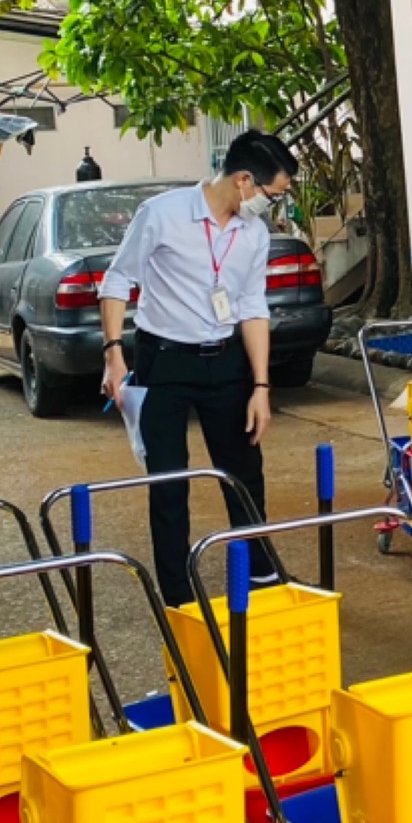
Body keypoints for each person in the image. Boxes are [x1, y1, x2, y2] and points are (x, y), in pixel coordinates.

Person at [98, 131, 298, 607]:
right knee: (169, 484)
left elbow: (252, 307)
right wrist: (114, 354)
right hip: (164, 361)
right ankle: (178, 596)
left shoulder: (253, 233)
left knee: (244, 474)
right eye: (273, 195)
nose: (273, 206)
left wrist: (261, 386)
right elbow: (118, 279)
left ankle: (260, 576)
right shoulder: (162, 214)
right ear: (244, 180)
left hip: (226, 362)